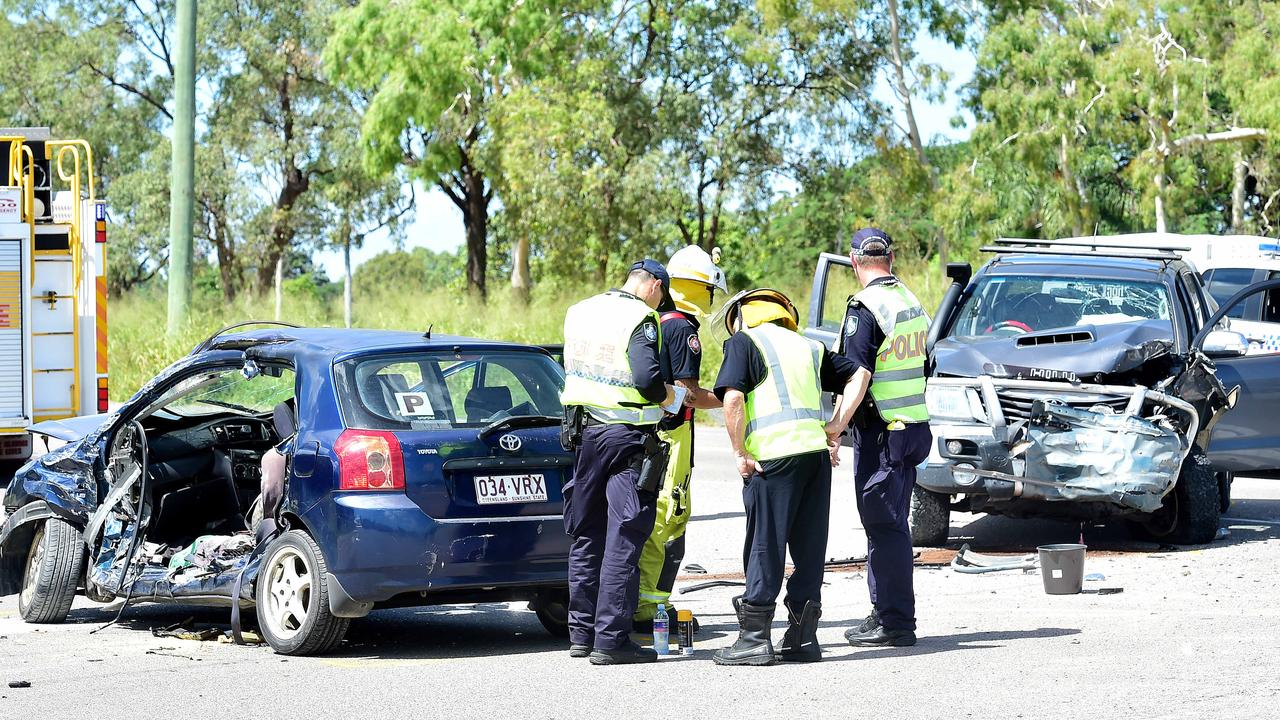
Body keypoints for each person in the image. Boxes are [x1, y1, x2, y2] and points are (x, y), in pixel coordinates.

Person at [710, 288, 863, 666]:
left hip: (772, 460)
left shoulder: (746, 342)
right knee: (809, 548)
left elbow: (732, 399)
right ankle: (803, 639)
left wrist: (740, 452)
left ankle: (753, 639)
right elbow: (860, 372)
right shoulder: (809, 347)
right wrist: (837, 425)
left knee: (766, 545)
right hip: (814, 457)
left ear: (745, 316)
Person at [560, 259, 679, 665]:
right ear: (654, 286)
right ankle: (610, 641)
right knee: (623, 536)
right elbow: (647, 380)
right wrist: (672, 398)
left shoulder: (580, 310)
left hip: (585, 436)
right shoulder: (642, 317)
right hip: (627, 437)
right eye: (662, 295)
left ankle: (580, 634)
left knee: (587, 533)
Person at [836, 228, 933, 648]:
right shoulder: (910, 300)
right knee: (890, 524)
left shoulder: (866, 306)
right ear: (890, 259)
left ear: (855, 262)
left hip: (884, 433)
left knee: (884, 526)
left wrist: (834, 427)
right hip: (913, 428)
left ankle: (895, 621)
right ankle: (884, 611)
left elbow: (859, 376)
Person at [632, 246, 726, 634]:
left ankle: (645, 600)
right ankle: (650, 608)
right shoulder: (683, 328)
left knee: (656, 514)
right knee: (669, 516)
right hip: (673, 435)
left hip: (654, 434)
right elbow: (688, 395)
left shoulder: (656, 320)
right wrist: (734, 396)